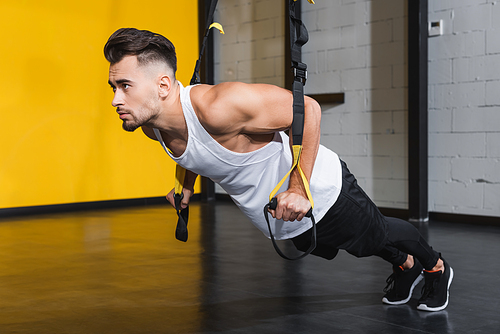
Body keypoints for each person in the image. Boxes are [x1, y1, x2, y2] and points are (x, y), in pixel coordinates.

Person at [104, 28, 453, 312]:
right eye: (113, 87)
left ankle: (435, 267)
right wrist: (186, 187)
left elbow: (309, 110)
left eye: (125, 86)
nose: (115, 100)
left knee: (376, 234)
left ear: (163, 86)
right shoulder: (151, 125)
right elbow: (193, 152)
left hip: (316, 188)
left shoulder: (221, 105)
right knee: (354, 245)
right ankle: (405, 266)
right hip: (275, 212)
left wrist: (299, 188)